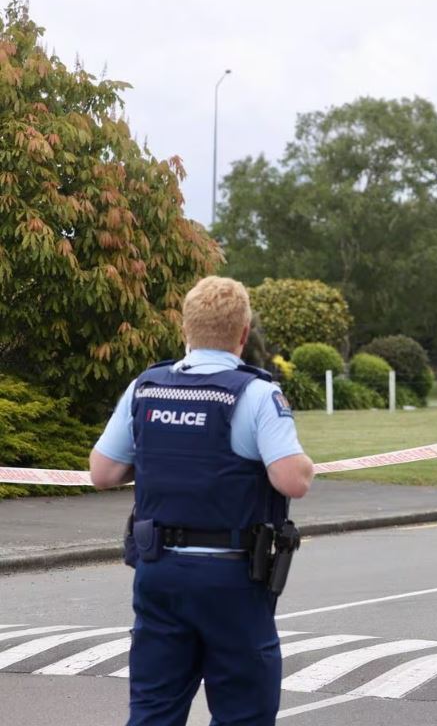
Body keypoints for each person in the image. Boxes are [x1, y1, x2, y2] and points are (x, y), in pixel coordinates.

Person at [88, 276, 314, 725]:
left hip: (159, 574)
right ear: (243, 333)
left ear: (185, 330)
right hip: (230, 577)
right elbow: (292, 480)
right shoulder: (255, 392)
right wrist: (305, 462)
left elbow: (103, 472)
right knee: (243, 711)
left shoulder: (147, 388)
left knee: (154, 708)